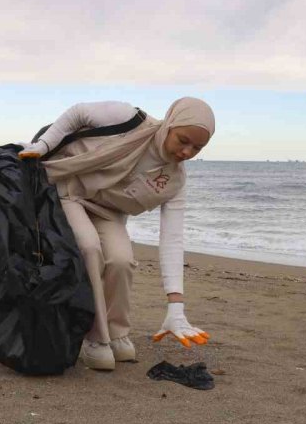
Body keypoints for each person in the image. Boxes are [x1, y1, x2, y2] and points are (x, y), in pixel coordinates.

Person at [19, 98, 215, 370]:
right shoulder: (128, 120)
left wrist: (176, 306)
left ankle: (117, 332)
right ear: (169, 124)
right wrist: (43, 146)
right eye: (183, 140)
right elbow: (78, 113)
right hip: (70, 192)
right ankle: (96, 339)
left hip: (108, 212)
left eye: (197, 148)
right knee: (89, 248)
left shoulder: (175, 182)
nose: (186, 151)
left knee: (122, 261)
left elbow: (172, 239)